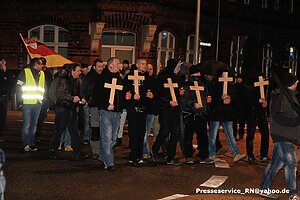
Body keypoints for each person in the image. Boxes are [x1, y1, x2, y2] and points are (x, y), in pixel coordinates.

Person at [259, 71, 300, 200]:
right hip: (282, 135)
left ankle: (264, 189)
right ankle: (293, 194)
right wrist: (297, 121)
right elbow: (278, 116)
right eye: (295, 81)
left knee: (276, 163)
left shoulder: (288, 95)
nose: (297, 82)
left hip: (286, 135)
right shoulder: (280, 96)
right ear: (291, 83)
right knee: (291, 163)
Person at [49, 63, 86, 161]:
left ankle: (78, 152)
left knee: (74, 132)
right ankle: (53, 150)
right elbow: (59, 94)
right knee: (59, 131)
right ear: (72, 71)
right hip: (62, 109)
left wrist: (82, 99)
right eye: (78, 70)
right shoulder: (63, 80)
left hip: (72, 109)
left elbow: (79, 94)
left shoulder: (78, 81)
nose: (80, 72)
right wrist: (71, 98)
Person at [207, 68, 246, 162]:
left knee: (230, 135)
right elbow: (211, 100)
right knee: (213, 135)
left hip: (227, 114)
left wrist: (230, 98)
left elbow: (236, 98)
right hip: (216, 114)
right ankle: (211, 154)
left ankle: (236, 154)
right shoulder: (214, 85)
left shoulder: (230, 86)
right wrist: (221, 99)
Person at [92, 57, 123, 170]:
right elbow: (96, 96)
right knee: (107, 137)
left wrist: (125, 98)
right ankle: (109, 162)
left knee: (114, 138)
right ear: (111, 66)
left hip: (117, 112)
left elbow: (120, 94)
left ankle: (102, 154)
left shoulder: (119, 78)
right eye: (118, 64)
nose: (119, 66)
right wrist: (106, 105)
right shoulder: (101, 79)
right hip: (105, 112)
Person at [180, 64, 213, 164]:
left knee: (203, 136)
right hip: (190, 114)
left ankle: (203, 155)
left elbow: (205, 97)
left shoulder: (203, 85)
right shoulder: (186, 86)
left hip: (201, 114)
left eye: (199, 73)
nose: (199, 75)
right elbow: (183, 100)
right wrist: (193, 104)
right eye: (196, 73)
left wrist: (208, 101)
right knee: (188, 136)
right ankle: (188, 156)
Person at [124, 58, 154, 166]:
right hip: (133, 109)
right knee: (134, 134)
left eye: (145, 64)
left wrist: (151, 95)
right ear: (137, 65)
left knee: (142, 133)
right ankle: (133, 156)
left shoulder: (147, 78)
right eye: (142, 64)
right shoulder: (129, 76)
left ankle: (139, 155)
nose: (144, 66)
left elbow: (151, 90)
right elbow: (125, 91)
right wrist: (131, 96)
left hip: (143, 108)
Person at [151, 59, 181, 165]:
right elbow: (158, 95)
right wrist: (168, 102)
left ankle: (171, 157)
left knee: (176, 133)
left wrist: (180, 95)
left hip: (175, 110)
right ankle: (154, 150)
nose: (179, 69)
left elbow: (178, 93)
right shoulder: (162, 77)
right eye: (178, 66)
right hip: (165, 109)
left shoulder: (177, 78)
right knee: (164, 131)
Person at [16, 57, 45, 152]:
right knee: (27, 125)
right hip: (27, 103)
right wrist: (19, 102)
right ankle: (26, 143)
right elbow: (18, 87)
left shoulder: (42, 74)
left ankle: (31, 143)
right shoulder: (25, 72)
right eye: (41, 64)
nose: (42, 65)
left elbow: (43, 88)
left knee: (34, 125)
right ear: (36, 64)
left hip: (38, 103)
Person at [246, 85, 270, 164]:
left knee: (265, 133)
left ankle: (264, 154)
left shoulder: (267, 89)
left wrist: (266, 105)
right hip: (252, 115)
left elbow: (268, 101)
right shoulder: (251, 89)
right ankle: (250, 155)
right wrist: (257, 101)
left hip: (261, 115)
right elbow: (247, 101)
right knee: (250, 135)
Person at [88, 59, 104, 158]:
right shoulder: (91, 78)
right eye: (99, 67)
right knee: (95, 129)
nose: (101, 69)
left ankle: (103, 149)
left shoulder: (104, 77)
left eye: (102, 66)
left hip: (103, 107)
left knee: (104, 130)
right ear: (94, 67)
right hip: (94, 106)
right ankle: (95, 151)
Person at [35, 57, 53, 142]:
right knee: (35, 119)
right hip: (36, 99)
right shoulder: (36, 73)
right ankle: (34, 135)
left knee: (40, 118)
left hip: (43, 100)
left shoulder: (47, 74)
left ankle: (36, 135)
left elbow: (49, 87)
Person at [116, 59, 131, 146]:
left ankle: (119, 137)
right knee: (118, 123)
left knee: (121, 123)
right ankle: (117, 137)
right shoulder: (119, 79)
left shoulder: (124, 81)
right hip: (119, 105)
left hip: (123, 106)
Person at [0, 58, 13, 142]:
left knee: (2, 117)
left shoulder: (7, 72)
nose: (2, 63)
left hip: (3, 97)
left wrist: (5, 71)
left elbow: (11, 82)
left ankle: (0, 134)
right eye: (1, 61)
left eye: (4, 62)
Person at [233, 74, 247, 140]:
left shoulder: (244, 87)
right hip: (235, 106)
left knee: (242, 121)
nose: (239, 79)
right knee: (234, 121)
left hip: (242, 106)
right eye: (237, 78)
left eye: (240, 78)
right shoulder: (234, 86)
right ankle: (234, 134)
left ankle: (241, 133)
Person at [79, 63, 90, 145]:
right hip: (80, 101)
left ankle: (86, 137)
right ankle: (84, 136)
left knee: (87, 120)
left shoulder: (87, 78)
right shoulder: (80, 79)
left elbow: (87, 90)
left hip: (85, 101)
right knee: (84, 120)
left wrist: (85, 98)